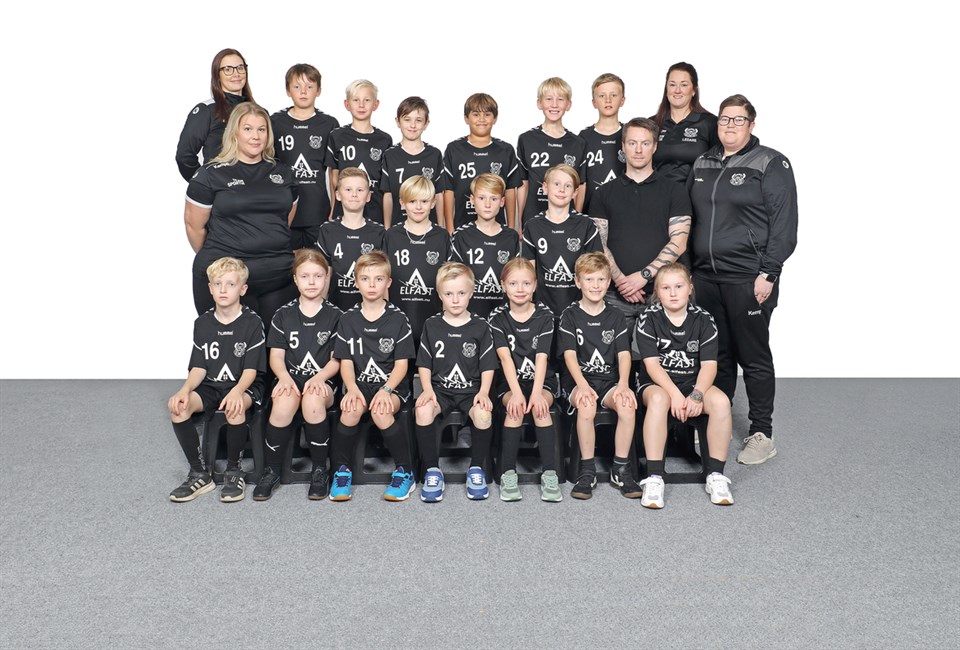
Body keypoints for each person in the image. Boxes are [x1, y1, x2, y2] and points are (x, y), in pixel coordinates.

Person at [689, 94, 798, 465]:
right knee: (716, 356)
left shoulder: (770, 162)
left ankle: (762, 433)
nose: (730, 126)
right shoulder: (703, 162)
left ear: (752, 124)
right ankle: (715, 424)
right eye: (724, 119)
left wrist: (769, 272)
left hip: (749, 278)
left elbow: (785, 225)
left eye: (738, 120)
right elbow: (693, 219)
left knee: (752, 355)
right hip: (706, 277)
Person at [184, 102, 298, 329]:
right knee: (229, 344)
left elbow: (285, 219)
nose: (255, 136)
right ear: (234, 132)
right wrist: (224, 257)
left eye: (261, 129)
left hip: (278, 278)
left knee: (274, 346)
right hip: (228, 279)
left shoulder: (283, 173)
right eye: (248, 129)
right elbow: (194, 227)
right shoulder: (210, 175)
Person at [635, 263, 734, 507]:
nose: (673, 293)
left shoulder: (704, 319)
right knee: (659, 400)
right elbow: (652, 366)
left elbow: (709, 365)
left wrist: (697, 395)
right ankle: (654, 477)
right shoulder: (648, 318)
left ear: (690, 288)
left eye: (678, 286)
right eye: (665, 288)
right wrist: (675, 396)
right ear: (657, 292)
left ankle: (716, 475)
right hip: (658, 384)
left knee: (721, 402)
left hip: (693, 382)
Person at [167, 257, 266, 504]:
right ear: (210, 288)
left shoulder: (252, 322)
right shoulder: (203, 323)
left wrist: (237, 392)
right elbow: (199, 368)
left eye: (230, 284)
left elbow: (250, 372)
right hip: (212, 385)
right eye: (218, 284)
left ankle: (233, 470)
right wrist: (184, 390)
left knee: (235, 406)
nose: (223, 289)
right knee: (179, 408)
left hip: (245, 385)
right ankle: (199, 474)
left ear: (242, 289)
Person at [590, 117, 693, 346]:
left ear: (655, 147)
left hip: (663, 293)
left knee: (667, 360)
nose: (638, 150)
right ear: (623, 146)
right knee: (610, 360)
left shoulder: (674, 191)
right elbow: (598, 242)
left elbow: (679, 242)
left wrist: (643, 276)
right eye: (632, 143)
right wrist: (622, 282)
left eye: (645, 143)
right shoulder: (603, 193)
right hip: (615, 294)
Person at [254, 250, 342, 501]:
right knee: (282, 404)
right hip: (290, 378)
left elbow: (337, 360)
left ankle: (319, 470)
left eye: (318, 276)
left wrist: (319, 378)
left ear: (327, 278)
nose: (311, 282)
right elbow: (276, 356)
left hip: (324, 380)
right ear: (295, 279)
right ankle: (271, 471)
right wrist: (283, 377)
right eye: (305, 276)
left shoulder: (337, 316)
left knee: (313, 402)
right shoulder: (283, 315)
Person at [330, 252, 417, 501]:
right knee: (350, 410)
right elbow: (346, 362)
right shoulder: (348, 319)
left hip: (392, 386)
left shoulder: (398, 319)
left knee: (381, 411)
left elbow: (401, 366)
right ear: (356, 282)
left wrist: (386, 390)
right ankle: (341, 471)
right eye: (365, 279)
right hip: (359, 385)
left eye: (378, 279)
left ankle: (405, 471)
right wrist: (351, 388)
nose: (371, 285)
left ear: (388, 282)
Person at [558, 253, 640, 500]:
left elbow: (624, 354)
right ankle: (587, 470)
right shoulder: (569, 315)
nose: (595, 285)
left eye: (601, 279)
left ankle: (620, 468)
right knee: (586, 405)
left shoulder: (616, 315)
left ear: (608, 282)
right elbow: (569, 356)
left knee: (627, 405)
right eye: (589, 279)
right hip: (578, 382)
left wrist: (623, 384)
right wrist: (582, 385)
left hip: (609, 382)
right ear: (577, 282)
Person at [415, 263, 497, 502]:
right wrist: (427, 390)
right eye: (449, 293)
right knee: (422, 411)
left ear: (471, 293)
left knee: (483, 415)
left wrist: (484, 392)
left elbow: (487, 364)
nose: (455, 299)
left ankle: (476, 469)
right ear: (439, 294)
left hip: (471, 391)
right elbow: (424, 363)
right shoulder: (431, 325)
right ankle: (432, 470)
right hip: (439, 391)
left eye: (461, 293)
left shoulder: (480, 326)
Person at [488, 258, 561, 502]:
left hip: (542, 381)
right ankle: (508, 473)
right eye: (513, 283)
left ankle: (550, 473)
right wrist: (517, 393)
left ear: (535, 285)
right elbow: (505, 359)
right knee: (515, 409)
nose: (520, 289)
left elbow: (542, 358)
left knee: (541, 409)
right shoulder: (497, 317)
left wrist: (537, 393)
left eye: (526, 283)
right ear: (503, 285)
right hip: (511, 383)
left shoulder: (545, 316)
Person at [271, 63, 340, 249]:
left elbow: (334, 173)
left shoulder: (329, 124)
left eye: (309, 86)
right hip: (285, 210)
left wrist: (335, 209)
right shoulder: (275, 122)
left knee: (319, 262)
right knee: (287, 263)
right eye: (296, 86)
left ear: (319, 90)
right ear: (288, 90)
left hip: (318, 211)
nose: (303, 92)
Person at [520, 164, 602, 320]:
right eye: (556, 184)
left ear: (575, 192)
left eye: (568, 186)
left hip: (579, 311)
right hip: (542, 312)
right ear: (545, 188)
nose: (562, 189)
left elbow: (597, 269)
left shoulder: (586, 225)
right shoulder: (532, 226)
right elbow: (528, 272)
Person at [383, 175, 453, 348]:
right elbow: (382, 279)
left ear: (433, 203)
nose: (419, 207)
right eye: (412, 201)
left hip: (433, 323)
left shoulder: (442, 236)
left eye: (424, 201)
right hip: (396, 324)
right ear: (402, 203)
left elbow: (449, 282)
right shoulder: (391, 236)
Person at [442, 93, 521, 232]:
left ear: (495, 118)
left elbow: (510, 191)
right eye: (476, 114)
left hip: (497, 228)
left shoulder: (505, 150)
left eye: (487, 114)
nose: (482, 119)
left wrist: (511, 228)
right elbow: (448, 190)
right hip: (462, 226)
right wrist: (449, 228)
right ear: (466, 118)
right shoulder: (454, 149)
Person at [517, 77, 587, 227]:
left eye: (560, 99)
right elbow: (523, 184)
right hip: (533, 216)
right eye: (549, 99)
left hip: (566, 219)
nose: (554, 105)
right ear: (539, 103)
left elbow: (580, 185)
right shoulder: (526, 139)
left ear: (568, 105)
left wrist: (577, 219)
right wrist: (520, 221)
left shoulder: (577, 143)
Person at [176, 48, 255, 182]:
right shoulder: (206, 110)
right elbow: (184, 156)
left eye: (240, 68)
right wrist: (205, 184)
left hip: (255, 189)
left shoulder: (258, 112)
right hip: (221, 191)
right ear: (217, 74)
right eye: (228, 69)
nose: (236, 73)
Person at [451, 174, 521, 319]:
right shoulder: (460, 236)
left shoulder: (511, 237)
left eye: (493, 199)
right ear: (472, 200)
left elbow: (517, 277)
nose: (487, 204)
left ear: (502, 201)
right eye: (482, 198)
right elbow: (453, 280)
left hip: (504, 317)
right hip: (470, 316)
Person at [315, 168, 386, 311]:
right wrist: (321, 312)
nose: (354, 194)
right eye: (348, 189)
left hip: (368, 312)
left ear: (368, 196)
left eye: (360, 190)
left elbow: (383, 277)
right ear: (338, 195)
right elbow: (324, 274)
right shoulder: (327, 230)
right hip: (336, 309)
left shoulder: (379, 232)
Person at [327, 80, 393, 224]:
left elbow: (386, 182)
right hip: (345, 208)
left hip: (375, 209)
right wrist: (333, 207)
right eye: (356, 100)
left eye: (367, 100)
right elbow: (333, 176)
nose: (361, 105)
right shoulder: (337, 136)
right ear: (347, 104)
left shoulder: (385, 139)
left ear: (375, 104)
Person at [380, 97, 446, 229]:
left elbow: (439, 194)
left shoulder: (434, 154)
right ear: (397, 122)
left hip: (429, 228)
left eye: (418, 120)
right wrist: (387, 229)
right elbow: (388, 196)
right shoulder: (390, 155)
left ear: (426, 124)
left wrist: (440, 228)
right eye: (407, 119)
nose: (413, 125)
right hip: (398, 229)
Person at [651, 62, 719, 186]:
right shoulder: (652, 124)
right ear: (666, 89)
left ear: (693, 90)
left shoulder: (710, 123)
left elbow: (720, 164)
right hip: (657, 193)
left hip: (695, 194)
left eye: (684, 85)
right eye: (672, 85)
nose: (677, 90)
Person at [578, 73, 626, 212]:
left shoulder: (630, 135)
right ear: (594, 102)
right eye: (602, 96)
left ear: (622, 100)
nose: (608, 100)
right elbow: (580, 182)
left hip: (625, 211)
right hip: (591, 212)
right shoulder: (583, 137)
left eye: (613, 95)